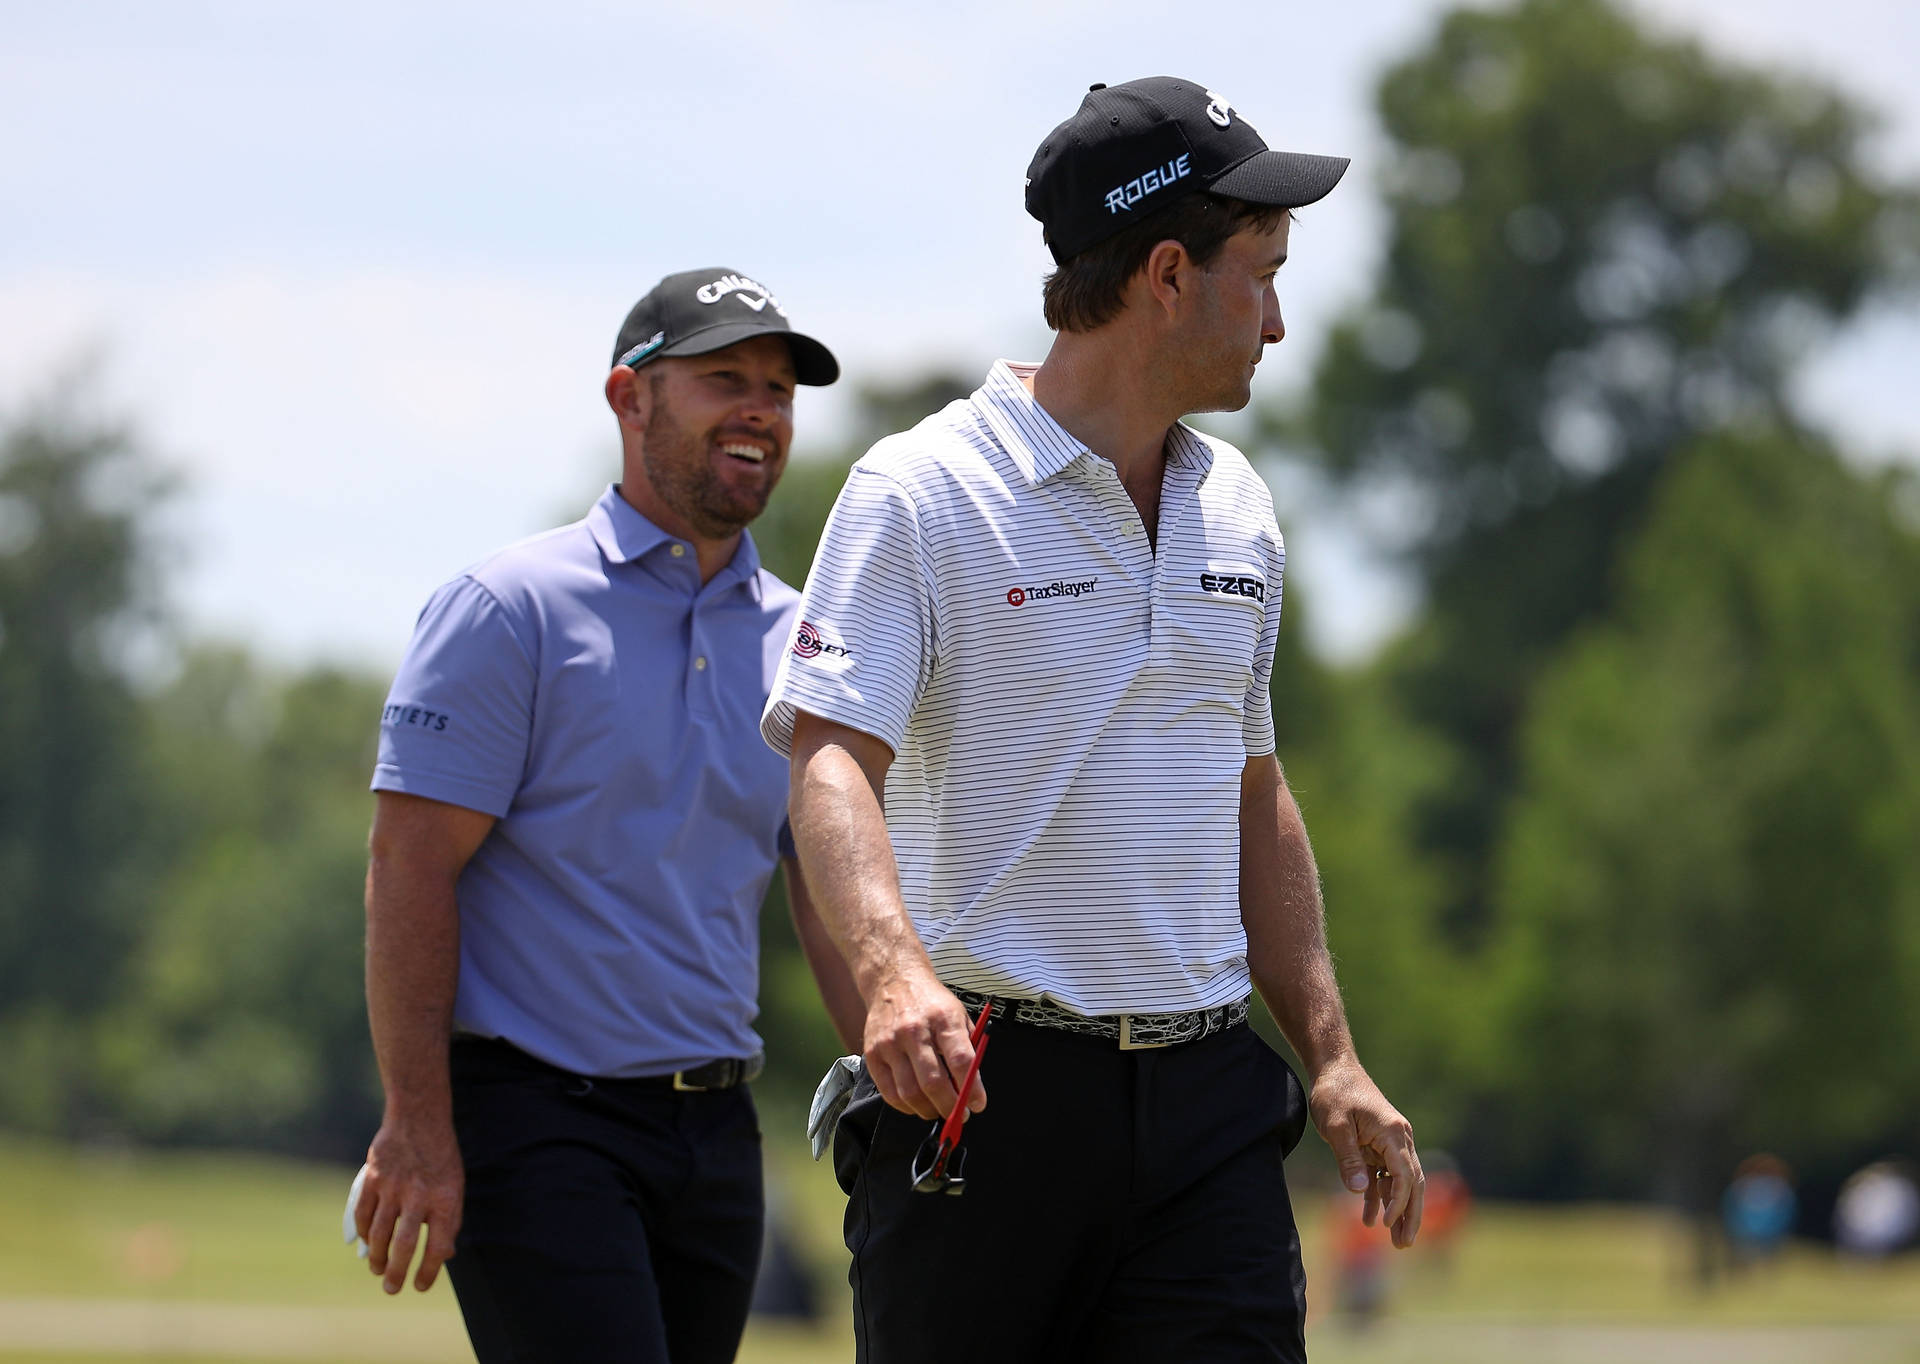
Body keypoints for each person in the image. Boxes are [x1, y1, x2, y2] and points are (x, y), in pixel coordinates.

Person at [764, 77, 1423, 1362]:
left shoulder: (1239, 506)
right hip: (986, 1097)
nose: (1281, 320)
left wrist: (1332, 1054)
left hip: (1207, 1106)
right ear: (1167, 274)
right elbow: (832, 756)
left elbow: (1252, 792)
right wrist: (894, 970)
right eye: (1263, 271)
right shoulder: (922, 490)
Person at [350, 267, 863, 1364]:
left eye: (779, 388)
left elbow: (823, 885)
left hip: (719, 1132)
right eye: (725, 377)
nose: (762, 410)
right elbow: (409, 866)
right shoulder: (510, 608)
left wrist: (885, 1061)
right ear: (630, 398)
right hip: (539, 1124)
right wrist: (417, 1122)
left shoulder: (803, 640)